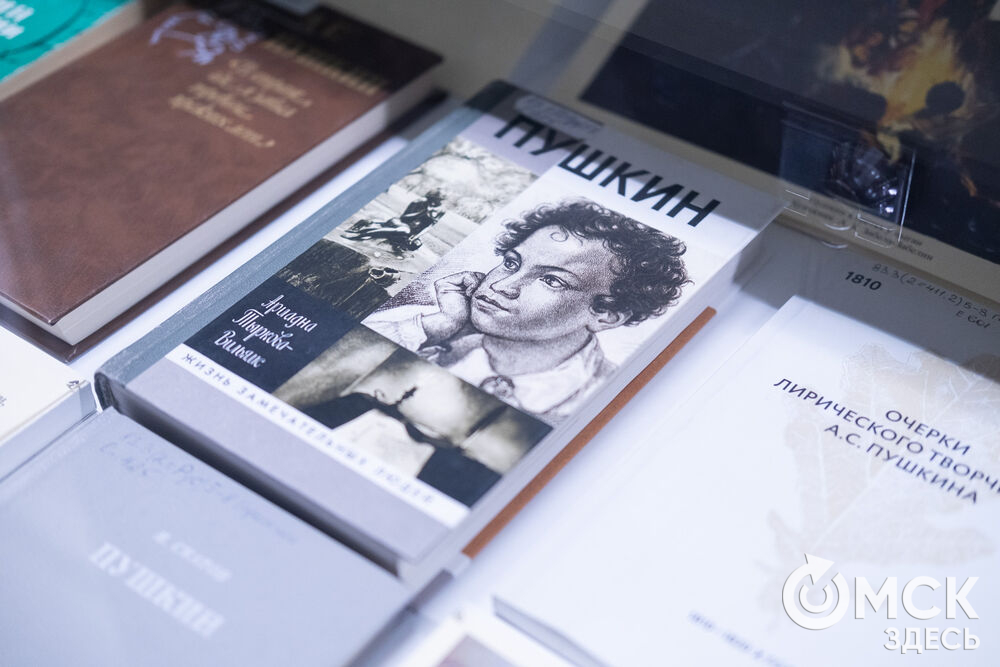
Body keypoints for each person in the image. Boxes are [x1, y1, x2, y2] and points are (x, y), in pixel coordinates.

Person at [366, 199, 689, 422]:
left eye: (552, 280)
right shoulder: (423, 324)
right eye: (511, 263)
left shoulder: (606, 396)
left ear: (607, 315)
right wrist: (437, 326)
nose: (502, 285)